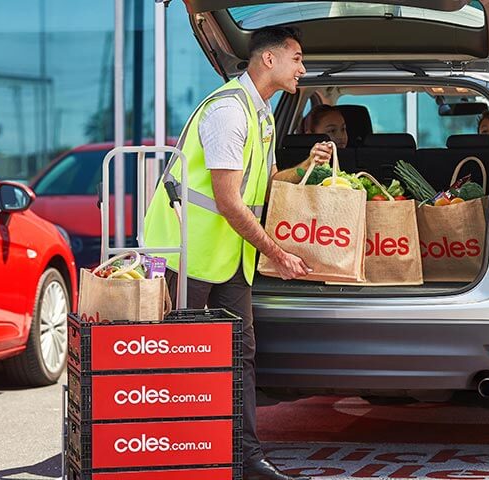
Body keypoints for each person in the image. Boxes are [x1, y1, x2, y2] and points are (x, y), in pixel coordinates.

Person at [143, 26, 332, 480]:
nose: (303, 69)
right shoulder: (229, 112)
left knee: (239, 354)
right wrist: (278, 254)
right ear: (269, 59)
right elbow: (228, 201)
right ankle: (176, 456)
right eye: (297, 59)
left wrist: (305, 167)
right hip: (185, 252)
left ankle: (245, 457)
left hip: (229, 256)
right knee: (183, 356)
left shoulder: (262, 114)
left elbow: (265, 185)